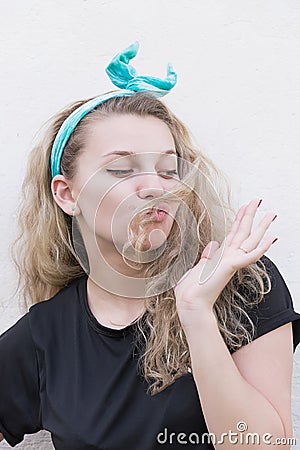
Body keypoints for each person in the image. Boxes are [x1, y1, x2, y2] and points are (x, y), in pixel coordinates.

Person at [0, 42, 299, 450]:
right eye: (121, 169)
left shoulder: (244, 284)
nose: (154, 187)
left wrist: (196, 315)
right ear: (67, 194)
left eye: (168, 170)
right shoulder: (45, 335)